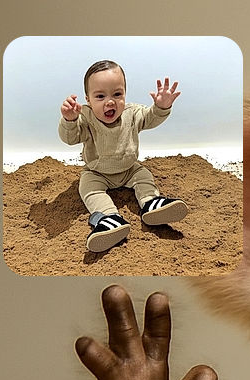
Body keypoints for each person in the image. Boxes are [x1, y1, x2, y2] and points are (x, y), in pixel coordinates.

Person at [58, 60, 188, 253]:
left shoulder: (132, 113)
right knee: (88, 188)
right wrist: (69, 120)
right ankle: (109, 218)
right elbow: (70, 138)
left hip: (129, 169)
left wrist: (161, 107)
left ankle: (151, 202)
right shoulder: (85, 118)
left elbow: (150, 118)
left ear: (125, 94)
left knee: (144, 176)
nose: (110, 102)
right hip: (97, 172)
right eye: (100, 96)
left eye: (117, 94)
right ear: (88, 99)